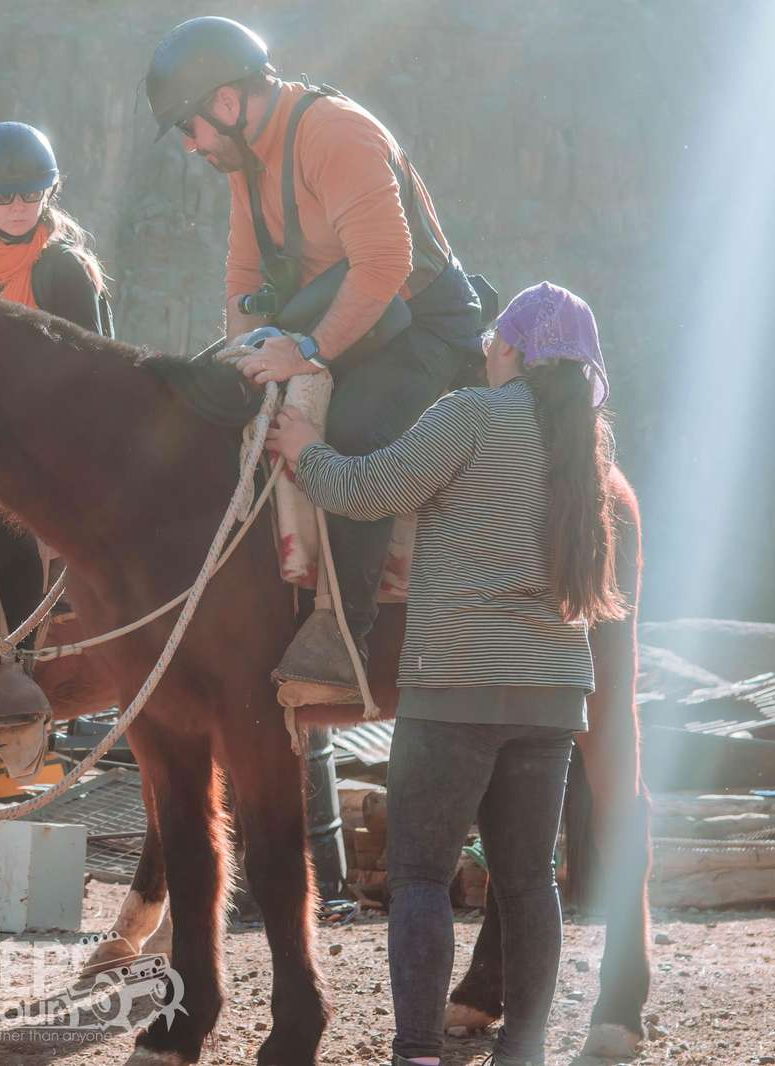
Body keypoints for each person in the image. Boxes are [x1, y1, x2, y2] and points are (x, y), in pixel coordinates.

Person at [266, 281, 626, 1066]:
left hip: (454, 687)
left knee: (422, 876)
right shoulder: (583, 442)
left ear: (512, 352)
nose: (487, 351)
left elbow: (367, 493)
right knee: (530, 881)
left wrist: (303, 452)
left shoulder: (468, 414)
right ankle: (523, 1050)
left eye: (497, 342)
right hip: (555, 695)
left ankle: (418, 1053)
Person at [144, 15, 484, 701]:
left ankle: (344, 635)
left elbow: (388, 263)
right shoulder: (247, 161)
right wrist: (241, 357)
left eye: (191, 127)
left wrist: (305, 350)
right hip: (353, 323)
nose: (191, 146)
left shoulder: (335, 132)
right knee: (216, 406)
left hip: (425, 323)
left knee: (354, 429)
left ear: (229, 103)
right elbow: (245, 283)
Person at [0, 120, 113, 776]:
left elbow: (94, 369)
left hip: (60, 427)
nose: (18, 207)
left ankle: (17, 669)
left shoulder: (62, 267)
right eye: (4, 196)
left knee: (7, 511)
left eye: (31, 194)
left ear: (50, 193)